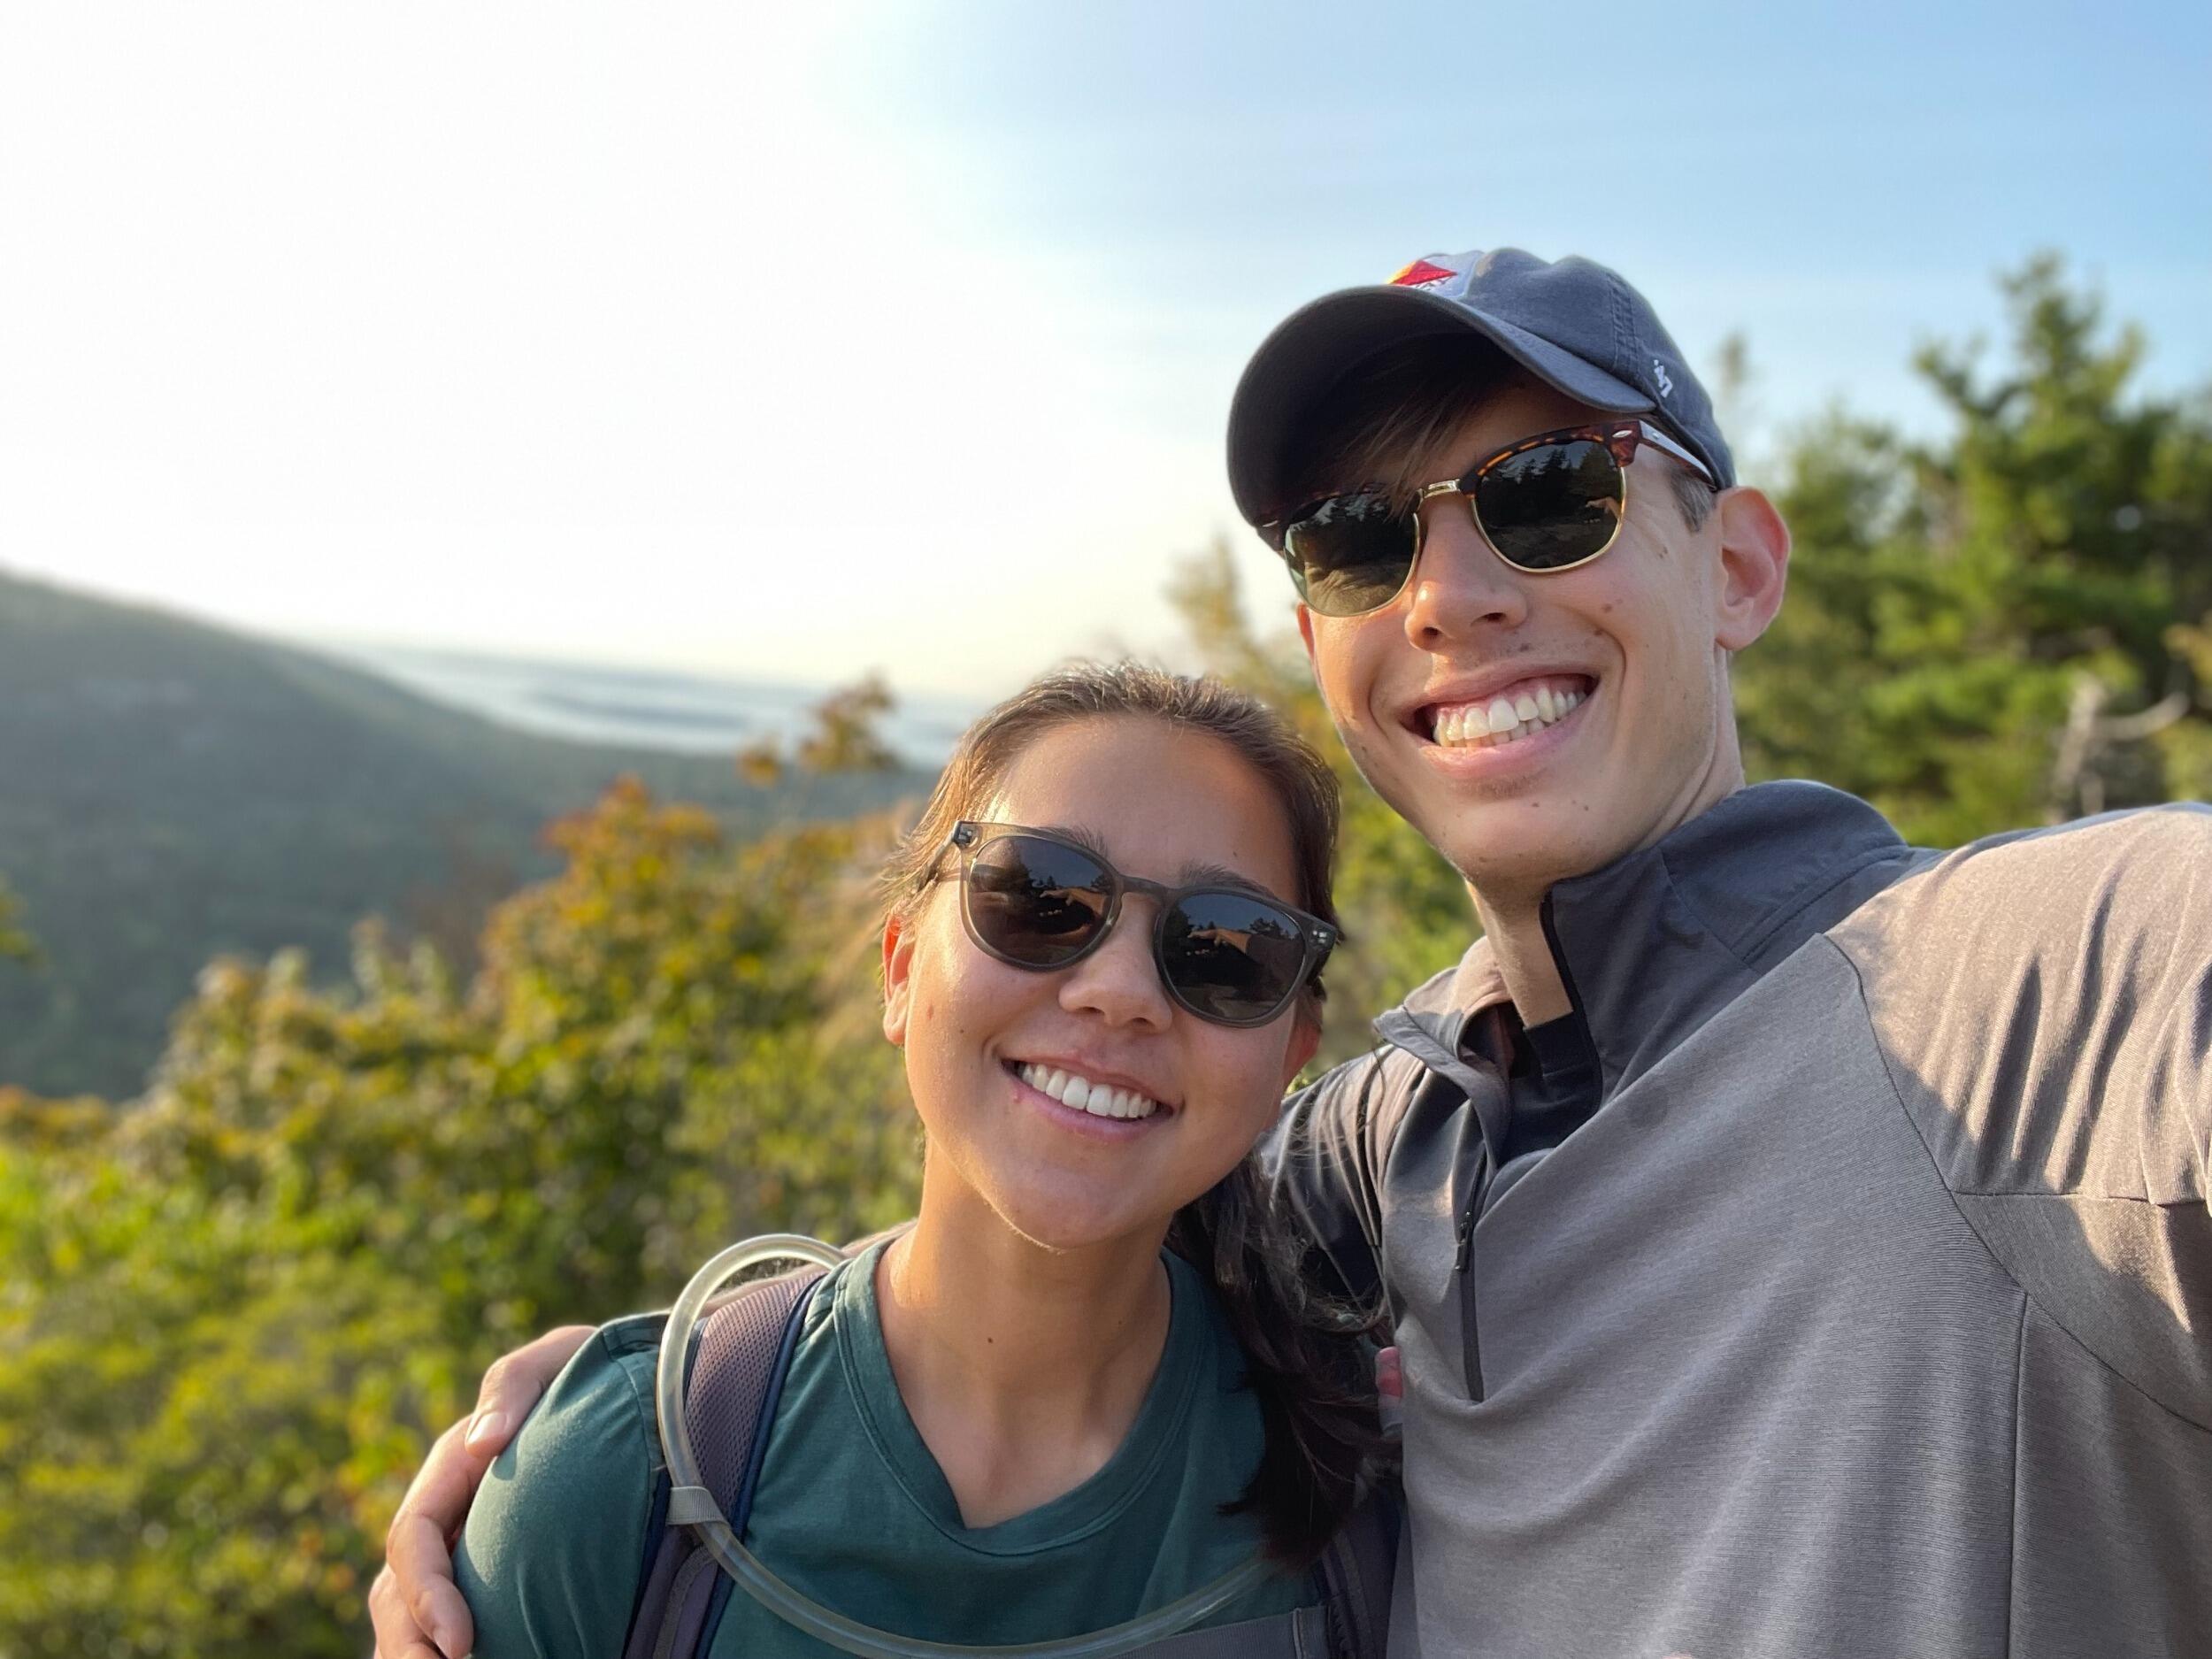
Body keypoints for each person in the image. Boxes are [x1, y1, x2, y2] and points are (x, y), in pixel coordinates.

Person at [377, 249, 2212, 1659]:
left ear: (1733, 564)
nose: (1450, 591)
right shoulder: (1398, 1138)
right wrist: (623, 1408)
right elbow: (1067, 1175)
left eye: (1548, 493)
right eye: (1355, 540)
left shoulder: (2035, 991)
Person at [434, 663, 1394, 1658]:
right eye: (1041, 897)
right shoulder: (625, 1480)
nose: (1118, 991)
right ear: (900, 967)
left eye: (1227, 950)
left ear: (1291, 1049)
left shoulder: (1369, 1488)